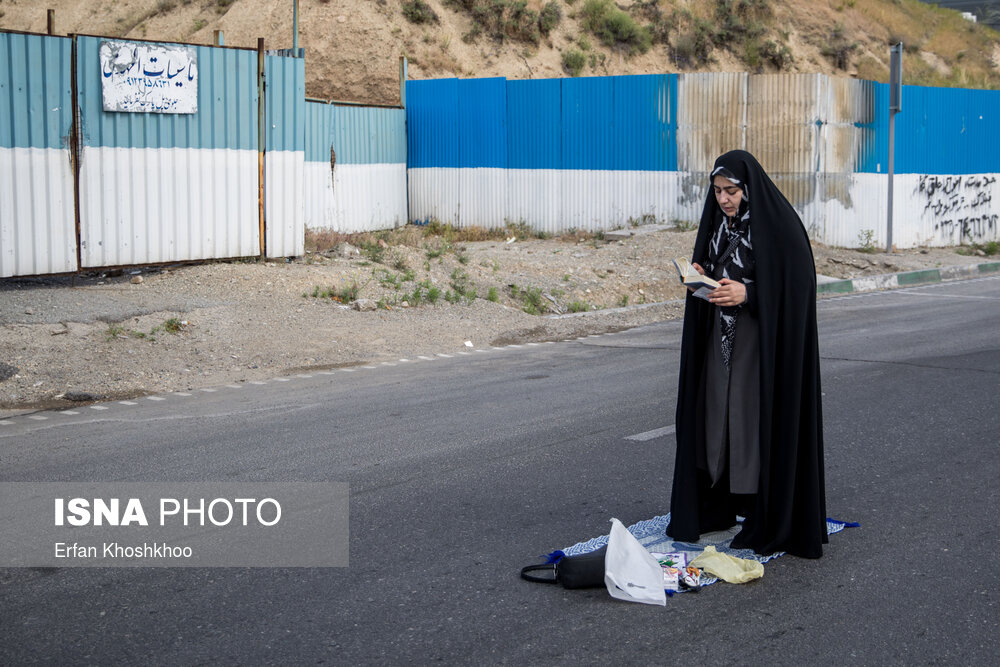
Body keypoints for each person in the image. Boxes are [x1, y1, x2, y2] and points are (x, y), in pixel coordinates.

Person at [666, 150, 827, 558]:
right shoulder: (721, 225)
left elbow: (799, 284)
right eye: (718, 191)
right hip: (721, 337)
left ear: (749, 187)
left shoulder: (777, 224)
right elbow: (717, 267)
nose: (724, 199)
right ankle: (719, 503)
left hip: (763, 344)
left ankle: (762, 511)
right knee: (717, 418)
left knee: (752, 421)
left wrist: (749, 292)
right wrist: (701, 279)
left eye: (732, 191)